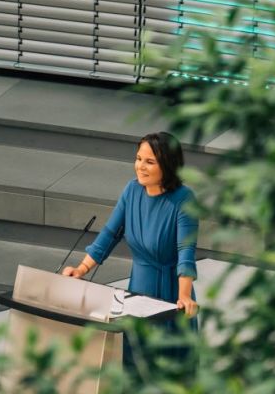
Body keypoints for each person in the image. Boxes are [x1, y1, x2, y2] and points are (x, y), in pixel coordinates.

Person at [62, 132, 199, 319]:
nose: (140, 167)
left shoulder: (184, 200)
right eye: (138, 159)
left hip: (171, 296)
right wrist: (81, 269)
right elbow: (110, 234)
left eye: (149, 162)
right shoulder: (132, 190)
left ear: (168, 165)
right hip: (138, 291)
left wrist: (184, 295)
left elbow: (186, 251)